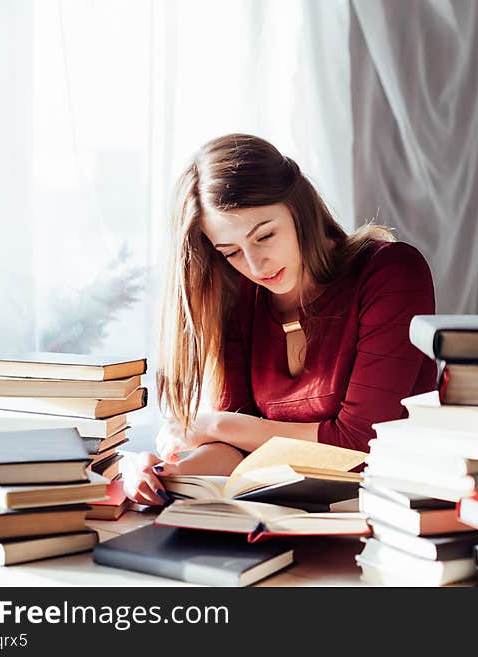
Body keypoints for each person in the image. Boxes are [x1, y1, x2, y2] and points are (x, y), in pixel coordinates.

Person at [123, 133, 436, 505]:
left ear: (298, 209)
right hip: (282, 517)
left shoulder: (391, 272)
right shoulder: (240, 297)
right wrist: (166, 472)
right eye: (231, 252)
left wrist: (213, 424)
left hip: (392, 514)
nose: (255, 266)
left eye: (265, 236)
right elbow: (236, 452)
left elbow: (359, 444)